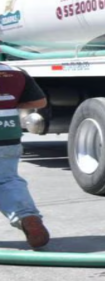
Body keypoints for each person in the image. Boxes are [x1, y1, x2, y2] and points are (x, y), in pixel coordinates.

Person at [0, 63, 50, 249]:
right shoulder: (14, 71)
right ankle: (26, 216)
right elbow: (39, 102)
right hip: (7, 134)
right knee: (6, 180)